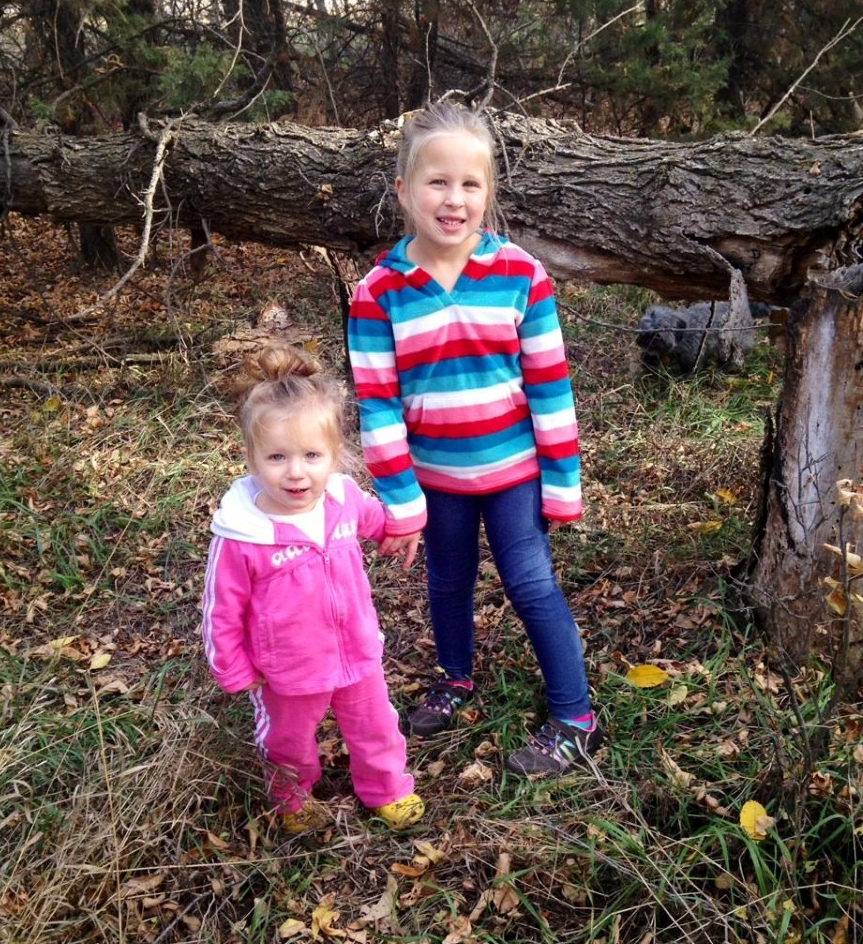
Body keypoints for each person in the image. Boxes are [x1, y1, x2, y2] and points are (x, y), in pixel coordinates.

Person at [348, 101, 603, 777]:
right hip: (436, 479)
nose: (453, 199)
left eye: (470, 184)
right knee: (447, 579)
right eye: (437, 181)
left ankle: (576, 716)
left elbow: (550, 387)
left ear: (488, 192)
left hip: (516, 472)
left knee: (530, 582)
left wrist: (563, 482)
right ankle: (455, 677)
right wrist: (401, 501)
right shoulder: (379, 293)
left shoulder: (522, 276)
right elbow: (378, 405)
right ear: (404, 189)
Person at [201, 344, 424, 833]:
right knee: (288, 739)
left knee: (376, 725)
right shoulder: (243, 533)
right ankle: (292, 798)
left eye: (311, 455)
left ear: (334, 455)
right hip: (286, 667)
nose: (296, 472)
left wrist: (400, 527)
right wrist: (233, 667)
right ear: (251, 457)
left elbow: (377, 521)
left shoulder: (342, 499)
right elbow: (221, 610)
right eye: (277, 457)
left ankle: (387, 788)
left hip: (356, 650)